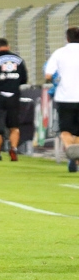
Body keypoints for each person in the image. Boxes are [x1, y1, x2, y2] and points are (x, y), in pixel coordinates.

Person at [0, 38, 28, 161]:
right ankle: (13, 148)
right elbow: (24, 79)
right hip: (14, 96)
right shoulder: (19, 59)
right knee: (14, 127)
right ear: (8, 46)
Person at [45, 26, 79, 172]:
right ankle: (76, 160)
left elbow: (48, 74)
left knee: (65, 130)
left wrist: (58, 79)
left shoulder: (59, 53)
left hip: (65, 96)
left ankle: (72, 155)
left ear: (67, 38)